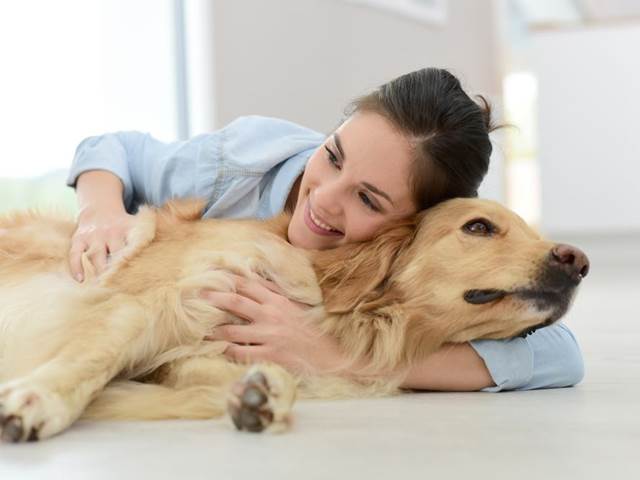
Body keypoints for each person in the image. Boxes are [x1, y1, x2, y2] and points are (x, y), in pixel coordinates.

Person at [66, 67, 584, 392]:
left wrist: (336, 357)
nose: (324, 199)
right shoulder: (243, 161)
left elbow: (560, 356)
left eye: (367, 199)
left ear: (412, 227)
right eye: (333, 155)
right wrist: (101, 210)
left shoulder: (399, 255)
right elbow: (112, 149)